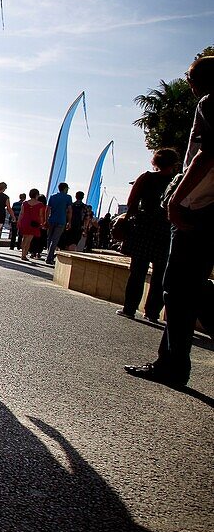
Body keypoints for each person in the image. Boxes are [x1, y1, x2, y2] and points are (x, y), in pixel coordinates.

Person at [126, 56, 214, 388]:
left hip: (198, 209)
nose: (188, 83)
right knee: (189, 287)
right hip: (206, 211)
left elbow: (207, 154)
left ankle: (173, 366)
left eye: (190, 77)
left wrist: (177, 198)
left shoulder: (209, 101)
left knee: (179, 288)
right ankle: (169, 362)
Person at [115, 150, 179, 322]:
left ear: (155, 162)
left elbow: (132, 201)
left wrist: (130, 219)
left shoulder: (147, 177)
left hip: (143, 227)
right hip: (165, 230)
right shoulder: (177, 181)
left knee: (138, 271)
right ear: (174, 164)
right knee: (160, 273)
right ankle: (152, 312)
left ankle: (129, 308)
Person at [44, 182, 72, 265]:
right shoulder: (68, 197)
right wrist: (69, 222)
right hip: (61, 220)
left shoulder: (52, 197)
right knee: (55, 240)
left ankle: (49, 255)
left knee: (49, 239)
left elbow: (47, 209)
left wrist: (46, 220)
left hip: (51, 220)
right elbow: (70, 211)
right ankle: (49, 258)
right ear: (65, 188)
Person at [17, 188, 47, 261]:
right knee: (29, 240)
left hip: (24, 221)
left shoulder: (25, 203)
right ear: (36, 195)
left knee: (24, 238)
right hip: (34, 223)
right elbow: (40, 215)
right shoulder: (40, 204)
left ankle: (22, 253)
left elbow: (21, 213)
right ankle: (24, 254)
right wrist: (42, 223)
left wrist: (19, 221)